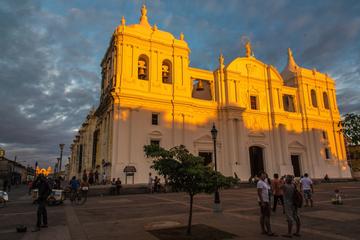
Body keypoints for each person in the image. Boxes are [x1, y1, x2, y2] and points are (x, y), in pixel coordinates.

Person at [257, 171, 276, 236]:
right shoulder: (260, 183)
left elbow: (268, 190)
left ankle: (263, 230)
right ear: (259, 176)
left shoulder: (264, 182)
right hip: (264, 201)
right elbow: (259, 193)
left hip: (266, 200)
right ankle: (269, 231)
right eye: (263, 175)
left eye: (265, 175)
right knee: (267, 216)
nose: (264, 176)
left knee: (263, 215)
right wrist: (262, 202)